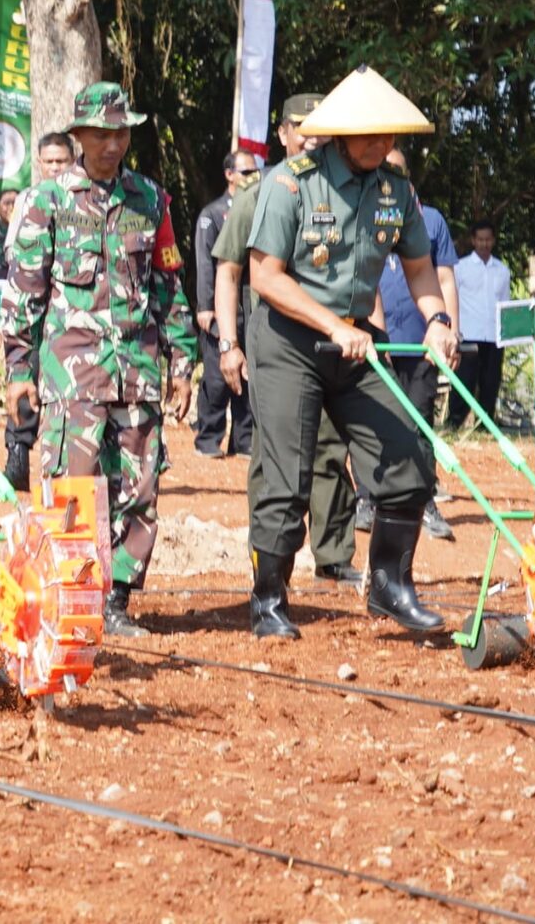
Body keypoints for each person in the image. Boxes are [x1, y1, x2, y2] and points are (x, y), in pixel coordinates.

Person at [242, 67, 456, 641]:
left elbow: (418, 267)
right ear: (338, 134)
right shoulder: (291, 184)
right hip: (290, 341)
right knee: (288, 477)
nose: (379, 145)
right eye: (367, 135)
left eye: (388, 135)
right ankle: (269, 598)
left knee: (406, 456)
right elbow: (266, 277)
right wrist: (333, 325)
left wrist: (438, 320)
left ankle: (390, 587)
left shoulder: (395, 191)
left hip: (356, 342)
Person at [2, 82, 197, 636]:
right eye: (101, 133)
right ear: (79, 135)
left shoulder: (150, 200)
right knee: (72, 485)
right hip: (74, 374)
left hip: (136, 370)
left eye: (121, 132)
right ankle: (68, 596)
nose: (112, 143)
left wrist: (182, 364)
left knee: (138, 489)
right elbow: (24, 293)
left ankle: (116, 602)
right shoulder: (50, 201)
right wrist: (19, 372)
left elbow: (168, 286)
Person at [214, 92, 356, 581]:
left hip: (330, 336)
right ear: (283, 133)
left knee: (331, 445)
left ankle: (334, 557)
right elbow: (230, 271)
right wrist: (228, 345)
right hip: (273, 336)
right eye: (302, 127)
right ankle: (268, 561)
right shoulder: (262, 190)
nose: (312, 137)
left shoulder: (345, 191)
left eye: (321, 128)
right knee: (276, 450)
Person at [365, 146, 458, 540]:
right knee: (374, 423)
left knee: (420, 421)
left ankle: (426, 500)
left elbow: (445, 278)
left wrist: (448, 330)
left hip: (419, 343)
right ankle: (368, 499)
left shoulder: (430, 220)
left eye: (394, 171)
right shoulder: (359, 212)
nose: (387, 177)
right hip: (375, 342)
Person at [0, 131, 78, 490]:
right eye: (50, 161)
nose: (56, 167)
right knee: (25, 377)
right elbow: (14, 254)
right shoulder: (29, 200)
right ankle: (17, 452)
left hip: (72, 313)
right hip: (35, 308)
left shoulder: (83, 197)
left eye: (62, 161)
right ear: (40, 164)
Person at [191, 151, 258, 457]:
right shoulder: (213, 214)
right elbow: (206, 262)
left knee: (247, 374)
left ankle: (243, 440)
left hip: (248, 303)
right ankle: (208, 438)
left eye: (254, 172)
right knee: (217, 378)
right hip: (220, 303)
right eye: (245, 172)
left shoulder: (258, 206)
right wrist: (206, 306)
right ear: (229, 175)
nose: (251, 178)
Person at [451, 221, 510, 429]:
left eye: (488, 239)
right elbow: (453, 298)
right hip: (468, 333)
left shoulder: (502, 270)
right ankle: (454, 423)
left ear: (493, 241)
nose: (484, 244)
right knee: (464, 381)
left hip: (494, 336)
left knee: (490, 382)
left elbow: (506, 304)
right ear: (473, 240)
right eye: (480, 239)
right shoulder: (460, 267)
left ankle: (486, 427)